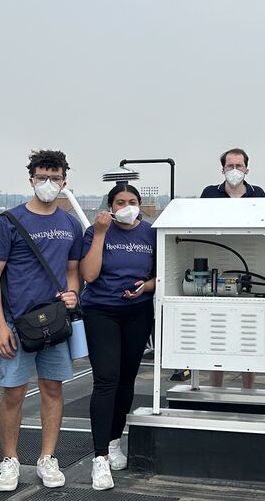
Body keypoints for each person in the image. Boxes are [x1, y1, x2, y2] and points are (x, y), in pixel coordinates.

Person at [0, 150, 81, 492]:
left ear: (64, 181)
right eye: (42, 177)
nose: (48, 184)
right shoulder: (7, 222)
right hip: (16, 324)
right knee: (13, 393)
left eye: (55, 178)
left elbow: (72, 271)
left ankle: (47, 458)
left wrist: (73, 294)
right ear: (31, 180)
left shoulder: (70, 224)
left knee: (53, 389)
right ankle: (10, 460)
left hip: (55, 324)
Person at [79, 183, 157, 491]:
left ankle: (114, 440)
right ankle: (99, 458)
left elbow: (159, 273)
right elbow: (88, 274)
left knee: (127, 380)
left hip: (137, 312)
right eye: (120, 201)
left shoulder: (150, 233)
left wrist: (146, 287)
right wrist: (99, 233)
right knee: (106, 380)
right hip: (102, 311)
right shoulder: (97, 232)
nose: (127, 206)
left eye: (132, 201)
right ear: (110, 205)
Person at [200, 147, 263, 389]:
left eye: (239, 166)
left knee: (250, 335)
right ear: (222, 169)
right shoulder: (210, 193)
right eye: (230, 166)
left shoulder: (258, 194)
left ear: (247, 168)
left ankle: (249, 389)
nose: (234, 171)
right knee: (217, 334)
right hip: (218, 264)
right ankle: (215, 388)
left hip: (250, 265)